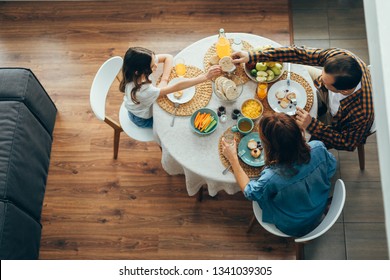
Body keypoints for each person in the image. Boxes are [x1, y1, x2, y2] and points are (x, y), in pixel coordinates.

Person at [232, 46, 374, 151]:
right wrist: (253, 55)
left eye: (325, 81)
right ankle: (321, 102)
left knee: (288, 143)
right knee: (293, 71)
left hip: (336, 122)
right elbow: (299, 53)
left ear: (343, 91)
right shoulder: (340, 56)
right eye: (322, 75)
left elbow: (347, 143)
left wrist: (312, 125)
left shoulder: (362, 112)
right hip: (329, 91)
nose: (320, 81)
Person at [221, 112, 337, 237]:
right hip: (319, 205)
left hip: (294, 224)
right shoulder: (318, 147)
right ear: (298, 133)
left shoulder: (271, 177)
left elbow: (250, 193)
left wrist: (233, 159)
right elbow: (331, 168)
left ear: (269, 146)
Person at [119, 47, 222, 128]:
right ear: (138, 71)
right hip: (142, 118)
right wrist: (205, 77)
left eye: (155, 62)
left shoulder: (134, 71)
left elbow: (168, 57)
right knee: (175, 123)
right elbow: (176, 87)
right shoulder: (142, 91)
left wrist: (164, 80)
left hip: (137, 106)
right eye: (152, 66)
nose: (156, 65)